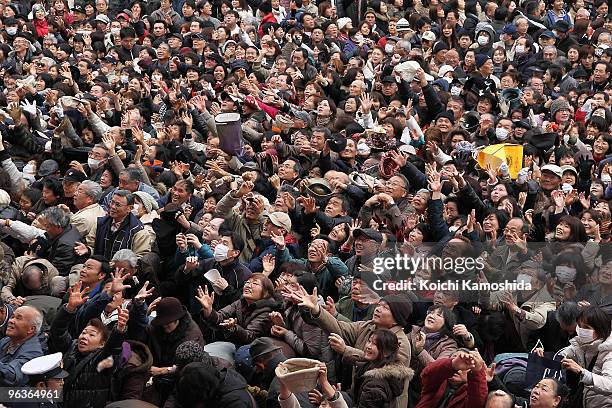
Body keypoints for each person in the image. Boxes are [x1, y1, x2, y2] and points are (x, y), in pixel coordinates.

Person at [0, 305, 44, 386]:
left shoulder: (33, 353)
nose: (11, 321)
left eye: (18, 318)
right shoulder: (7, 340)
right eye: (12, 316)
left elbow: (12, 375)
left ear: (31, 329)